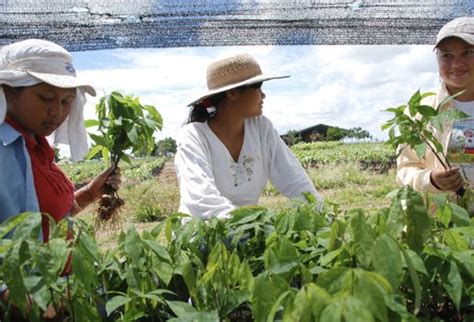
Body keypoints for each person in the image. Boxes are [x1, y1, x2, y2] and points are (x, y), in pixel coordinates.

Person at [174, 53, 322, 220]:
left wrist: (321, 216)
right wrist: (249, 228)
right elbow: (200, 200)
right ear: (232, 94)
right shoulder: (194, 136)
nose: (263, 95)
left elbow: (296, 182)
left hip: (247, 230)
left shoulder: (261, 128)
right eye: (258, 86)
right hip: (202, 234)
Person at [0, 39, 122, 240]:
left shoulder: (37, 146)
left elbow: (50, 221)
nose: (57, 111)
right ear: (10, 91)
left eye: (67, 102)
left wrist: (90, 193)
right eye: (46, 97)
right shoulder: (5, 150)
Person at [397, 17, 474, 193]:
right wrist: (430, 180)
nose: (457, 64)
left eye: (468, 53)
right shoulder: (418, 113)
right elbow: (404, 170)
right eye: (447, 55)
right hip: (441, 216)